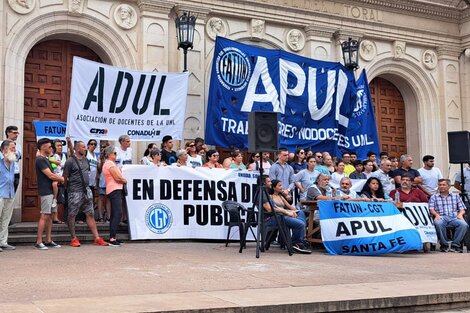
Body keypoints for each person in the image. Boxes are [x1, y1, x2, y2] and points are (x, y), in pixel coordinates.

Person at [63, 141, 108, 247]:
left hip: (86, 190)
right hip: (74, 190)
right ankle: (73, 238)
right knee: (72, 214)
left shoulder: (86, 160)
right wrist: (66, 188)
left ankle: (97, 238)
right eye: (83, 147)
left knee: (90, 213)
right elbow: (65, 176)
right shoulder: (70, 161)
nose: (85, 149)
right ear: (77, 149)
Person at [35, 138, 64, 250]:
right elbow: (50, 175)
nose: (51, 148)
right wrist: (63, 179)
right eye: (49, 146)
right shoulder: (40, 160)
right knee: (44, 215)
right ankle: (39, 241)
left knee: (51, 216)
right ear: (42, 147)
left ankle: (48, 239)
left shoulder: (46, 159)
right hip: (46, 191)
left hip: (52, 191)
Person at [267, 179, 311, 254]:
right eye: (279, 185)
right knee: (300, 224)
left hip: (286, 215)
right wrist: (288, 212)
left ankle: (300, 240)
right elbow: (274, 208)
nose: (282, 187)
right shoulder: (270, 197)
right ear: (274, 187)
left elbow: (290, 207)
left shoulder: (281, 197)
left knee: (301, 212)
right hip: (278, 216)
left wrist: (296, 210)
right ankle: (296, 242)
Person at [429, 179, 468, 253]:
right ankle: (444, 245)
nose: (441, 186)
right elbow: (431, 209)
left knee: (464, 224)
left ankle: (455, 245)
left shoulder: (455, 196)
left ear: (449, 186)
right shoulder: (434, 197)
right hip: (441, 217)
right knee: (438, 224)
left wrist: (460, 214)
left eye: (444, 185)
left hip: (454, 217)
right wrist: (436, 215)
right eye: (440, 185)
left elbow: (462, 208)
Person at [102, 146, 127, 246]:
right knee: (117, 213)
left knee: (115, 214)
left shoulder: (110, 164)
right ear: (109, 154)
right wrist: (124, 180)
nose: (116, 155)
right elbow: (117, 178)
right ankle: (112, 238)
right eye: (115, 153)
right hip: (114, 189)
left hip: (115, 189)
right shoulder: (109, 163)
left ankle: (113, 236)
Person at [0, 140, 17, 251]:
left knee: (5, 220)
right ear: (5, 149)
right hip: (0, 194)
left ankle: (3, 242)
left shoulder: (12, 161)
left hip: (10, 193)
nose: (15, 150)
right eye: (12, 148)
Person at [4, 126, 22, 192]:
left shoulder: (18, 146)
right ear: (8, 133)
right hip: (3, 172)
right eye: (14, 133)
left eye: (17, 133)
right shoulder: (1, 144)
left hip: (15, 172)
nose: (16, 135)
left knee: (12, 194)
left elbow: (16, 158)